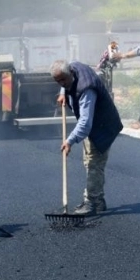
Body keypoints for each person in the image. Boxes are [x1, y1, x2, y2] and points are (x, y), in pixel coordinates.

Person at [51, 60, 123, 216]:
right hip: (93, 123)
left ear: (70, 73)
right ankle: (98, 201)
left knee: (93, 163)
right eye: (58, 81)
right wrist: (63, 93)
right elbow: (63, 80)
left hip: (103, 126)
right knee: (89, 162)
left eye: (63, 80)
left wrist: (69, 141)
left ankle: (91, 203)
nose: (62, 83)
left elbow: (85, 123)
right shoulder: (72, 68)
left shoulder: (86, 89)